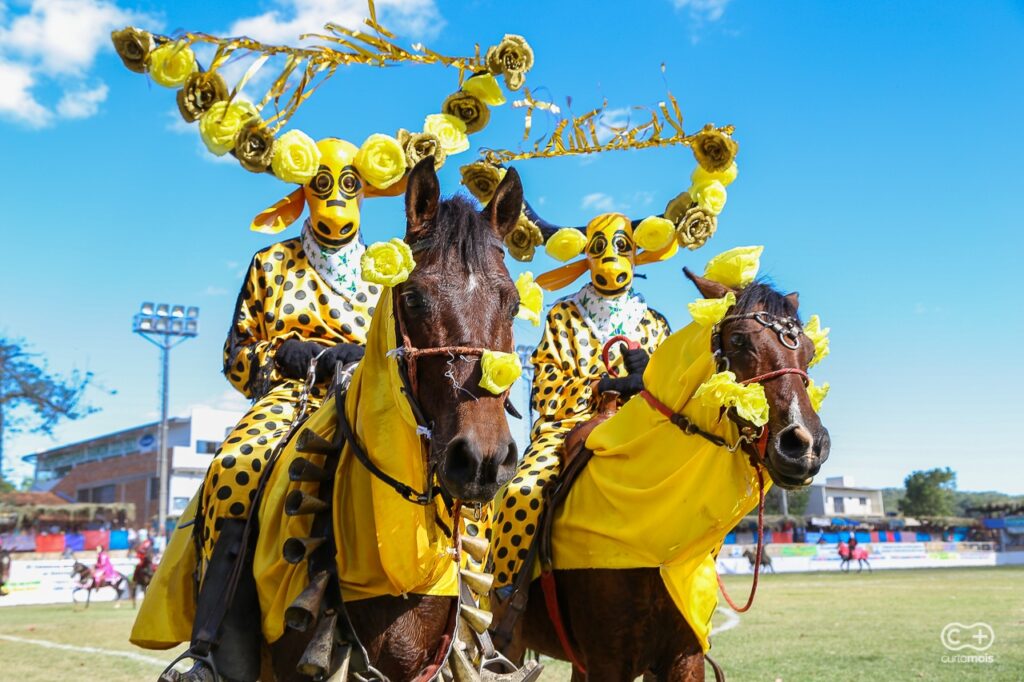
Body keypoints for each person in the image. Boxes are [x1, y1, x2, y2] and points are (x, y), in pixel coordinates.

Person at [131, 137, 405, 658]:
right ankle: (218, 648)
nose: (336, 201)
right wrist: (283, 357)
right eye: (323, 187)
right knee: (234, 467)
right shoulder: (271, 263)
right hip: (290, 399)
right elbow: (236, 352)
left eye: (348, 187)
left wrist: (367, 361)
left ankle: (476, 631)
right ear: (304, 192)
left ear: (365, 191)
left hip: (369, 399)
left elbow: (403, 353)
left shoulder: (387, 271)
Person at [489, 213, 674, 589]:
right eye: (599, 248)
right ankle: (504, 597)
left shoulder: (655, 324)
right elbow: (544, 390)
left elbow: (675, 391)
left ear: (636, 254)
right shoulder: (562, 315)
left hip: (643, 433)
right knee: (520, 494)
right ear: (585, 256)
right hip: (565, 431)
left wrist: (650, 376)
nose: (610, 259)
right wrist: (605, 385)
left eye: (621, 247)